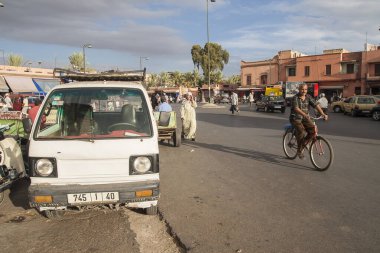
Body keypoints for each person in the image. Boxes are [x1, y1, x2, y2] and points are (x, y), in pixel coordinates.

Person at [290, 84, 328, 159]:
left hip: (305, 118)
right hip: (295, 118)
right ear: (299, 89)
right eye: (302, 89)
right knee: (301, 131)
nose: (304, 91)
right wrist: (304, 114)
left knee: (313, 130)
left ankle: (303, 143)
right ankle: (299, 150)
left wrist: (323, 114)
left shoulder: (308, 97)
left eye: (305, 89)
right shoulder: (295, 98)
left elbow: (316, 105)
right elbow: (296, 108)